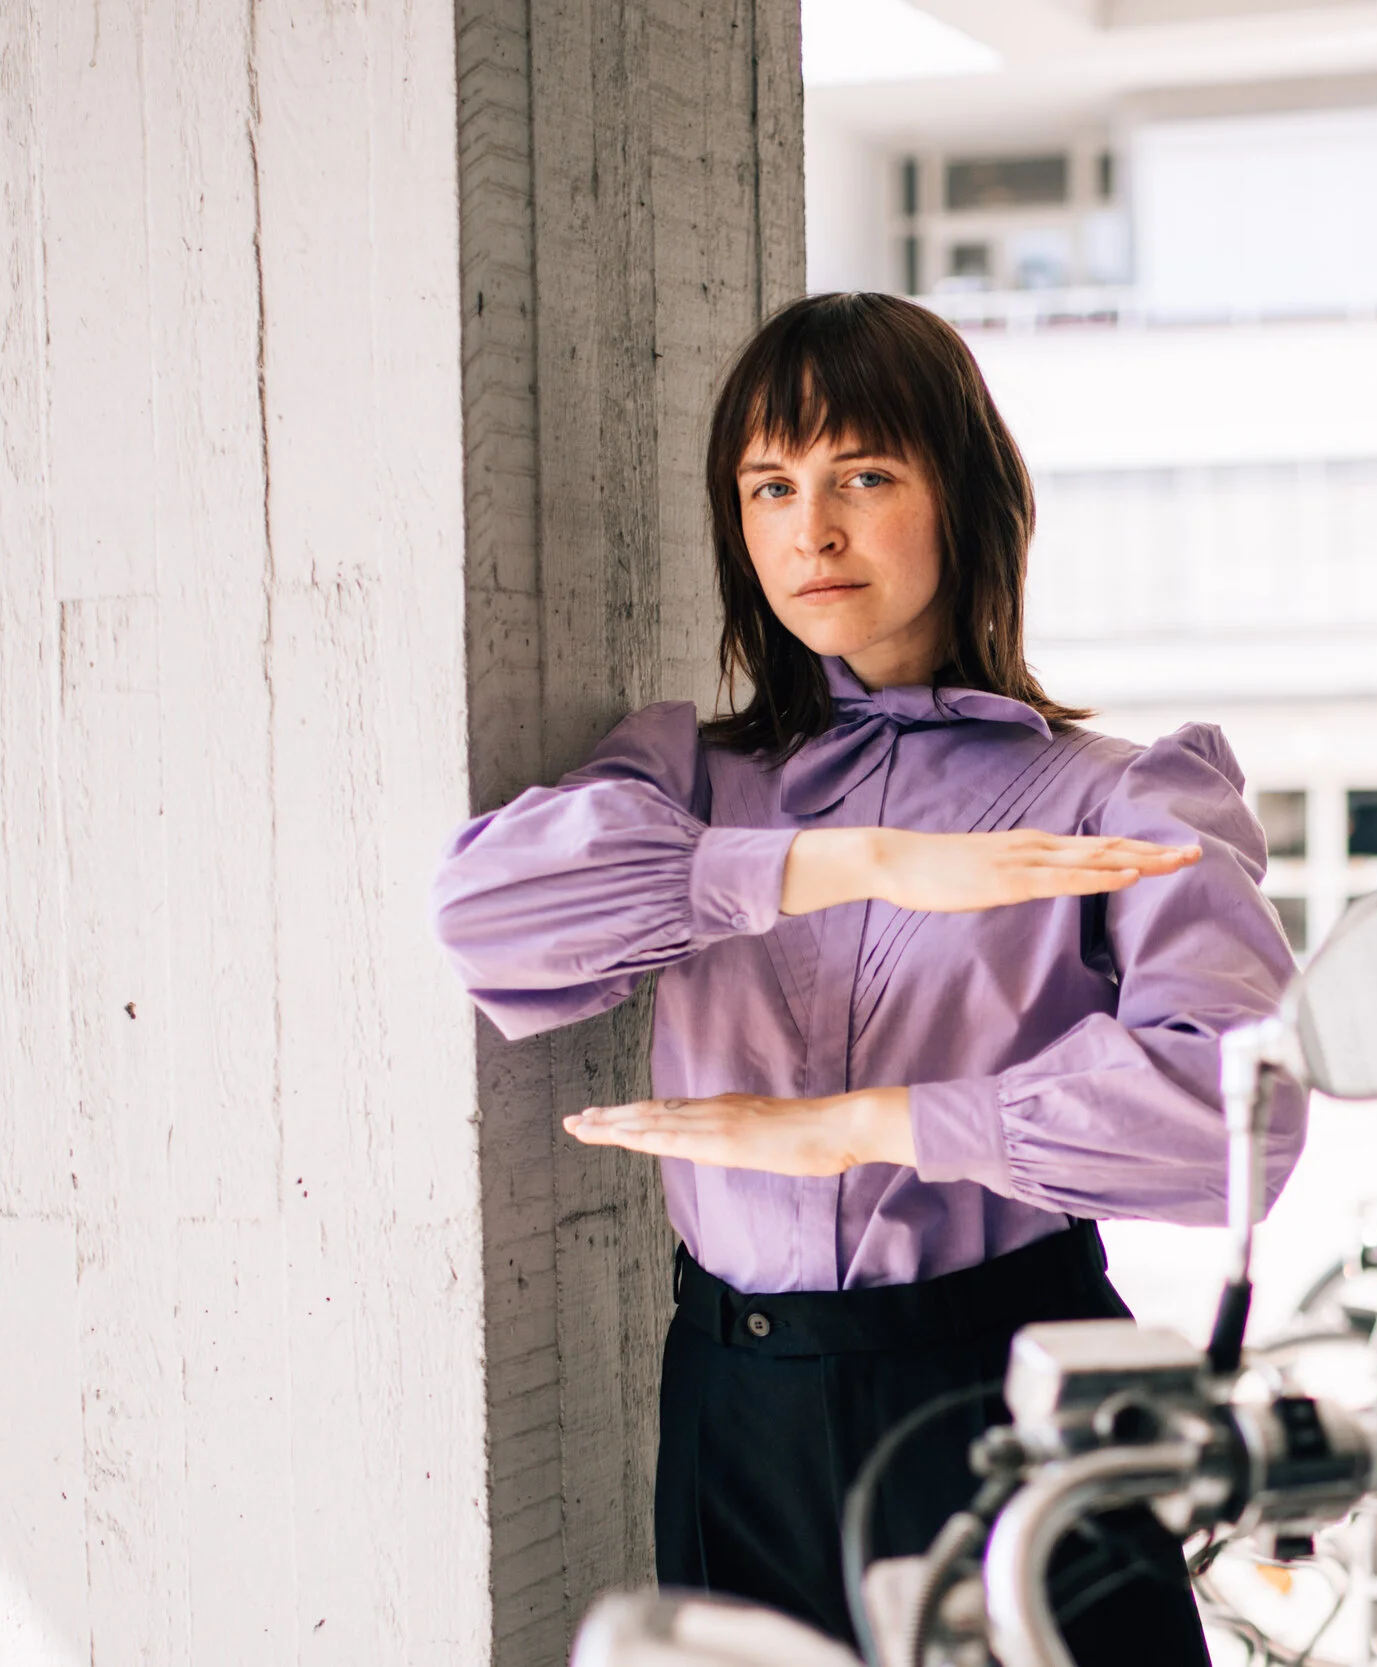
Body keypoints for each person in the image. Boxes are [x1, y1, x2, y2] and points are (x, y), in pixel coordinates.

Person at [429, 291, 1305, 1661]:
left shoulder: (1117, 799)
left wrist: (865, 1126)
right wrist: (852, 860)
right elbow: (484, 916)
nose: (810, 528)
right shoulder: (689, 779)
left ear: (965, 497)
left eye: (863, 475)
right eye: (769, 485)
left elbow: (1232, 1112)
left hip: (1003, 1387)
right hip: (734, 1400)